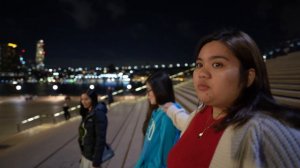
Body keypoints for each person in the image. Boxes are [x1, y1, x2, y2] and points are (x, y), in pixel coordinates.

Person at [162, 29, 300, 167]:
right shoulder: (201, 113)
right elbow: (185, 124)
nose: (202, 73)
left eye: (217, 64)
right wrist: (170, 108)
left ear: (247, 77)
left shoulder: (263, 130)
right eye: (199, 64)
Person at [135, 71, 181, 168]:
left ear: (159, 89)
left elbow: (164, 159)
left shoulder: (168, 116)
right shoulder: (157, 110)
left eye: (149, 90)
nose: (147, 94)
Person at [78, 89, 108, 168]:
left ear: (93, 99)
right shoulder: (88, 113)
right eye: (82, 99)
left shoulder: (98, 113)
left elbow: (100, 138)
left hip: (92, 157)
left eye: (86, 99)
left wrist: (96, 160)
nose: (83, 102)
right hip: (86, 154)